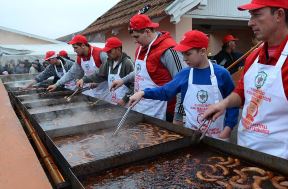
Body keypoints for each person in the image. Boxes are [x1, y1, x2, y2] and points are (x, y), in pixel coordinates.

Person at [202, 0, 288, 159]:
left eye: (256, 15)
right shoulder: (254, 56)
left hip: (279, 161)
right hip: (245, 151)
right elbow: (242, 92)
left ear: (279, 15)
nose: (250, 23)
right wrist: (224, 104)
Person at [129, 30, 238, 140]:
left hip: (218, 136)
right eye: (183, 54)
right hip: (192, 135)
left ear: (202, 51)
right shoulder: (185, 74)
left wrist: (228, 128)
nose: (184, 58)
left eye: (188, 54)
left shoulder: (222, 74)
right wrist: (143, 93)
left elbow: (232, 103)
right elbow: (165, 92)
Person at [110, 14, 186, 122]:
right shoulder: (140, 49)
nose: (135, 41)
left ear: (147, 31)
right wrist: (123, 80)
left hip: (164, 111)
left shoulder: (169, 50)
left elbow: (182, 83)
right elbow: (139, 72)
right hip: (142, 106)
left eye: (136, 37)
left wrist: (178, 116)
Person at [77, 37, 134, 106]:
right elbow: (99, 75)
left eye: (110, 51)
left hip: (127, 104)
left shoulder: (127, 63)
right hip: (113, 101)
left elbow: (135, 86)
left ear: (118, 49)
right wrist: (84, 79)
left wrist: (125, 100)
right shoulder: (108, 62)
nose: (107, 53)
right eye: (106, 51)